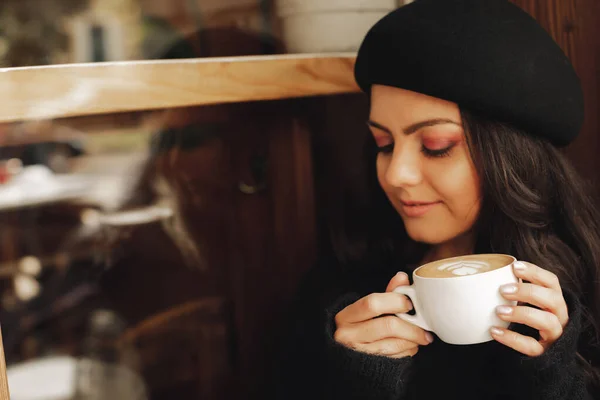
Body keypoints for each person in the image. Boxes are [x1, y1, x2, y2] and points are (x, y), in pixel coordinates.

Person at [272, 0, 600, 399]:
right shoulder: (340, 288)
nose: (395, 175)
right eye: (384, 143)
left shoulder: (585, 285)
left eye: (436, 145)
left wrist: (555, 379)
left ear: (512, 158)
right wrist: (355, 382)